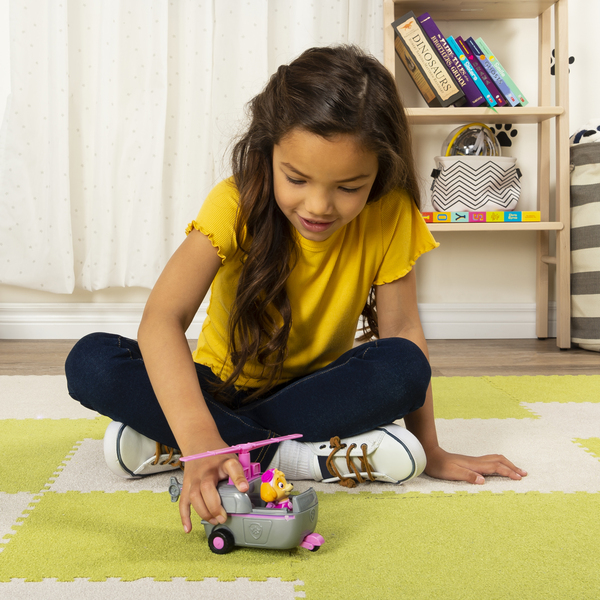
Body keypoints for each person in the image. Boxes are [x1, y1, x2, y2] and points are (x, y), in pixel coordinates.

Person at [65, 45, 526, 534]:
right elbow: (162, 319)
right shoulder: (234, 201)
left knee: (404, 368)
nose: (319, 205)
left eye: (349, 187)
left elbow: (403, 332)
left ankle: (189, 446)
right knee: (91, 361)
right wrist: (199, 434)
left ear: (380, 170)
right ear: (268, 153)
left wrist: (430, 450)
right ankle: (295, 456)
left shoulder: (391, 214)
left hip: (313, 394)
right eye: (297, 178)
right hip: (221, 388)